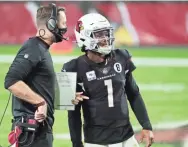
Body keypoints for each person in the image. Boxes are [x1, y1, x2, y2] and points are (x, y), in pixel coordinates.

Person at [62, 13, 154, 147]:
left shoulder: (121, 57)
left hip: (126, 137)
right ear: (84, 37)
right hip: (97, 141)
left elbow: (133, 93)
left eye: (106, 33)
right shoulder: (73, 67)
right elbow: (73, 113)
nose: (105, 38)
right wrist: (76, 143)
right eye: (99, 34)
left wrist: (146, 125)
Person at [4, 3, 67, 147]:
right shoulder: (34, 48)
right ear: (51, 24)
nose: (64, 28)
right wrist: (40, 102)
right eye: (62, 23)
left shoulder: (42, 49)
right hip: (31, 133)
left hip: (37, 131)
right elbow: (11, 81)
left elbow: (40, 86)